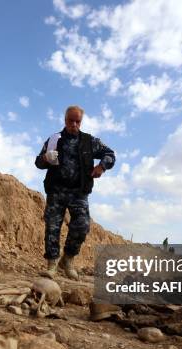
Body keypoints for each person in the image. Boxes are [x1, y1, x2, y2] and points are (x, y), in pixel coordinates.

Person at [35, 105, 116, 280]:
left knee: (82, 225)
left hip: (79, 192)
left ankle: (68, 259)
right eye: (70, 120)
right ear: (65, 120)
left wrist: (101, 166)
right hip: (56, 190)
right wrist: (44, 159)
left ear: (81, 122)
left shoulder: (89, 141)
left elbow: (110, 154)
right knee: (52, 227)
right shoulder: (54, 139)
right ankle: (52, 265)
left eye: (77, 121)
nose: (74, 124)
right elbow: (38, 162)